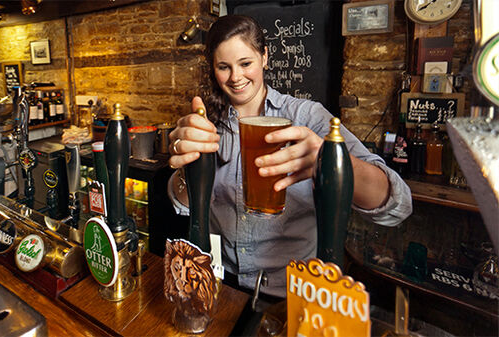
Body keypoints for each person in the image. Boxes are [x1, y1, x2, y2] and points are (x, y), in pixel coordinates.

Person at [167, 15, 412, 299]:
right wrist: (188, 168)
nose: (235, 77)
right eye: (224, 67)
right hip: (222, 286)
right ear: (213, 69)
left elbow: (398, 204)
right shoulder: (208, 123)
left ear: (265, 57)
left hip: (292, 293)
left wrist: (328, 161)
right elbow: (181, 204)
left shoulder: (307, 117)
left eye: (245, 63)